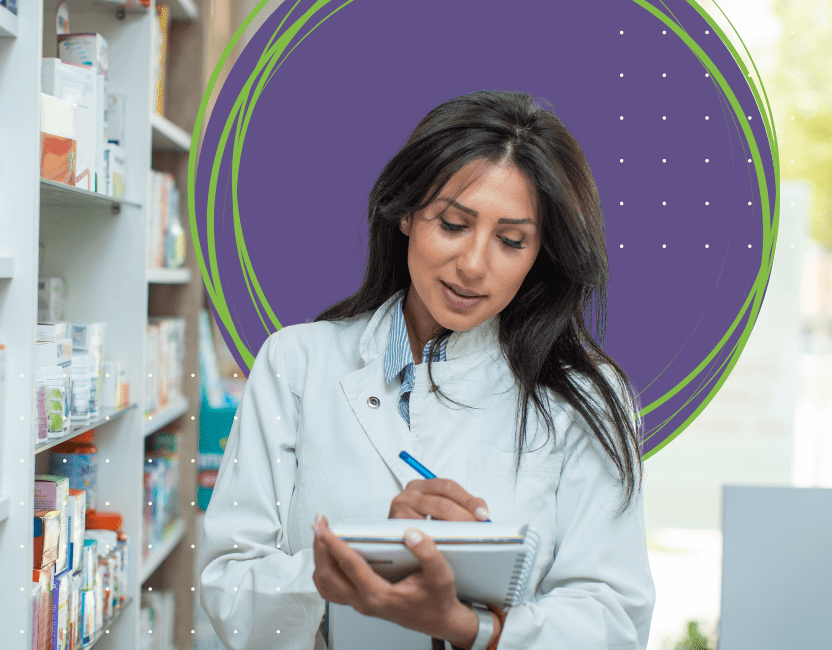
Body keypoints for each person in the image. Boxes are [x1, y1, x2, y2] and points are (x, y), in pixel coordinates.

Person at [197, 90, 655, 650]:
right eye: (454, 224)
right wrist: (367, 558)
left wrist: (470, 627)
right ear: (408, 214)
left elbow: (613, 622)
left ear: (541, 255)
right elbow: (228, 590)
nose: (473, 264)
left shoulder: (587, 400)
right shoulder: (297, 365)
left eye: (511, 241)